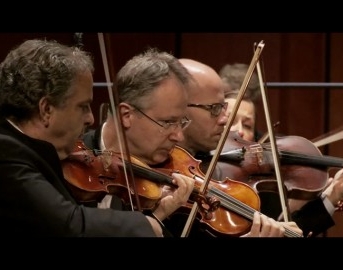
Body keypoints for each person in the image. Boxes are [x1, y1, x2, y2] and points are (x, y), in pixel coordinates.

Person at [82, 49, 299, 238]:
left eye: (181, 122)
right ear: (126, 115)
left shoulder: (174, 185)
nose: (178, 136)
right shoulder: (70, 164)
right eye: (168, 122)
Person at [0, 39, 193, 237]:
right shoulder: (6, 153)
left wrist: (158, 215)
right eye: (83, 106)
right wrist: (143, 224)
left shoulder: (41, 153)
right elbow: (70, 224)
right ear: (46, 109)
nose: (90, 118)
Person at [169, 59, 343, 237]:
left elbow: (288, 232)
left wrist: (333, 195)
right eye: (215, 110)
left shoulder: (250, 186)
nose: (234, 129)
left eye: (248, 125)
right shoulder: (177, 169)